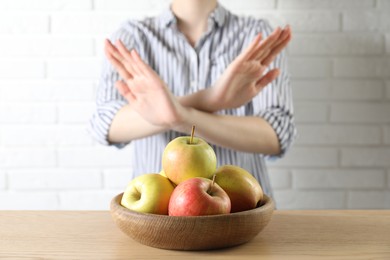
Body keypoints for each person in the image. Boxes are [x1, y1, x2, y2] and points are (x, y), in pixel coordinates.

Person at [89, 0, 296, 198]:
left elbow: (277, 133)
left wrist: (181, 117)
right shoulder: (134, 36)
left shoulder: (256, 35)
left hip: (242, 213)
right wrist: (207, 99)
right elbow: (105, 123)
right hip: (156, 218)